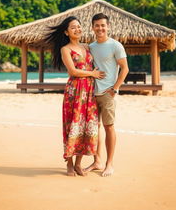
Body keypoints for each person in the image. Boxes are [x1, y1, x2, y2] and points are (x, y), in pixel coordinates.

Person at [43, 16, 105, 177]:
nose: (77, 29)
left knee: (86, 127)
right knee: (73, 126)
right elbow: (73, 71)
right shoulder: (66, 49)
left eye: (79, 26)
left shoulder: (87, 47)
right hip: (75, 91)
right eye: (73, 27)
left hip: (90, 91)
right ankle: (69, 164)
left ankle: (78, 164)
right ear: (66, 32)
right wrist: (92, 73)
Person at [84, 13, 129, 177]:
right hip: (91, 94)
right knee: (93, 129)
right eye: (97, 25)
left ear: (108, 26)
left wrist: (114, 89)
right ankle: (97, 161)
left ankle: (109, 164)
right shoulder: (91, 47)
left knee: (108, 127)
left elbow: (125, 69)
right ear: (93, 27)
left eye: (103, 25)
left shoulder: (115, 45)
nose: (100, 28)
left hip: (107, 93)